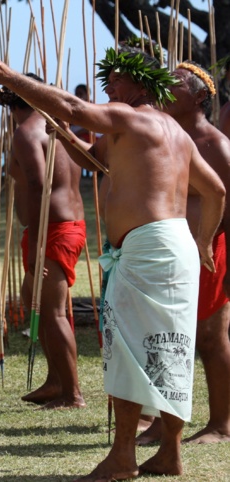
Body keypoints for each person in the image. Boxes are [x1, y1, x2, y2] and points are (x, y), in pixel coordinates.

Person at [0, 47, 225, 480]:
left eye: (116, 78)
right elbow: (213, 189)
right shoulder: (172, 131)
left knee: (127, 349)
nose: (108, 85)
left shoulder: (130, 117)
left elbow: (74, 107)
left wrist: (10, 78)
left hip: (148, 248)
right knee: (171, 347)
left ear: (141, 83)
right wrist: (201, 240)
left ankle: (123, 457)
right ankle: (169, 453)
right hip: (176, 246)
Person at [136, 61, 230, 446]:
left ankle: (221, 424)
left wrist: (220, 260)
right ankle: (164, 422)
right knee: (168, 336)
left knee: (210, 338)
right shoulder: (167, 136)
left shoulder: (215, 144)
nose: (164, 88)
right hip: (172, 252)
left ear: (198, 96)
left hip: (208, 253)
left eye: (173, 84)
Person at [0, 75, 86, 410]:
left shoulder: (27, 132)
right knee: (30, 296)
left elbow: (37, 185)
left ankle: (72, 393)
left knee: (52, 311)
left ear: (12, 103)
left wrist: (35, 243)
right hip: (59, 226)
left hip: (53, 229)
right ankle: (56, 380)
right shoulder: (56, 126)